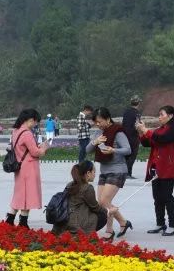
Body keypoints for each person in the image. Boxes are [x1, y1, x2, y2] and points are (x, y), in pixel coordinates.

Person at [136, 105, 174, 236]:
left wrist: (146, 130)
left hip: (168, 167)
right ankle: (160, 223)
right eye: (159, 114)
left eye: (162, 114)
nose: (159, 117)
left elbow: (162, 139)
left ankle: (173, 225)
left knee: (167, 196)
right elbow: (148, 143)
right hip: (156, 167)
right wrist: (141, 132)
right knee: (157, 197)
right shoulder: (160, 129)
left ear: (170, 116)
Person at [86, 107, 133, 239]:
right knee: (101, 203)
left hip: (118, 170)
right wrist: (95, 142)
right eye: (96, 122)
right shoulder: (100, 133)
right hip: (104, 171)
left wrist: (113, 150)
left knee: (105, 201)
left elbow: (128, 149)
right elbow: (87, 149)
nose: (98, 125)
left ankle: (109, 230)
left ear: (107, 119)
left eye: (100, 122)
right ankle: (123, 222)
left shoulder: (118, 132)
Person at [6, 108, 49, 227]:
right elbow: (35, 152)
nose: (35, 124)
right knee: (28, 195)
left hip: (20, 167)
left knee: (20, 194)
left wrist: (37, 147)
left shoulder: (16, 131)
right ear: (30, 120)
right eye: (35, 122)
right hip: (29, 168)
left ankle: (10, 220)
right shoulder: (27, 133)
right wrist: (44, 148)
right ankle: (23, 222)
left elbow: (24, 149)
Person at [51, 160, 109, 235]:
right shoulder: (88, 188)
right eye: (94, 172)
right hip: (75, 224)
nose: (95, 174)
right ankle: (83, 234)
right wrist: (108, 211)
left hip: (62, 220)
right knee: (102, 216)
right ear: (88, 173)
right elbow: (95, 207)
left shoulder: (70, 184)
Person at [122, 96, 142, 179]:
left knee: (126, 155)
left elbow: (123, 123)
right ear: (138, 103)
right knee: (132, 155)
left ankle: (125, 173)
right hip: (133, 136)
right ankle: (128, 173)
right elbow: (137, 125)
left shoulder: (126, 112)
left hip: (125, 136)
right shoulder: (137, 113)